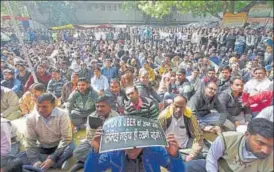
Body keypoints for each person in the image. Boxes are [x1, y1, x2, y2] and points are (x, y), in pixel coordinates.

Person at [185, 118, 274, 172]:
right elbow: (212, 158)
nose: (266, 151)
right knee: (189, 167)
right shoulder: (227, 139)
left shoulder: (271, 158)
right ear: (247, 135)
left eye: (271, 146)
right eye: (260, 143)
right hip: (217, 168)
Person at [17, 93, 75, 171]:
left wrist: (52, 158)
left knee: (71, 148)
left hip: (59, 146)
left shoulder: (63, 115)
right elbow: (30, 141)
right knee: (19, 157)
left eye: (44, 107)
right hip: (43, 147)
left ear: (53, 106)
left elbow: (66, 139)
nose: (40, 110)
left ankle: (50, 162)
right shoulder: (30, 118)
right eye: (38, 106)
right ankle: (57, 163)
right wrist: (35, 161)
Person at [84, 129, 185, 172]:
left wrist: (174, 155)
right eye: (128, 144)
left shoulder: (156, 150)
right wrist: (95, 151)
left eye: (136, 145)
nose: (132, 149)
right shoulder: (113, 153)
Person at [71, 95, 119, 172]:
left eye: (103, 106)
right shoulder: (92, 117)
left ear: (109, 107)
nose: (99, 109)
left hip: (111, 144)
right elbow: (90, 138)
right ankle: (99, 161)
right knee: (77, 152)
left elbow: (118, 137)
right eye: (97, 106)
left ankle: (87, 162)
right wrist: (96, 147)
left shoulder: (116, 117)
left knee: (118, 153)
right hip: (95, 143)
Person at [158, 96, 204, 162]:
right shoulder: (164, 116)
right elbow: (157, 136)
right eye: (176, 106)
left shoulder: (190, 116)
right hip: (168, 146)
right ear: (172, 104)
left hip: (185, 145)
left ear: (185, 106)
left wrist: (192, 155)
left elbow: (198, 137)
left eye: (181, 107)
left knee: (200, 154)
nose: (178, 109)